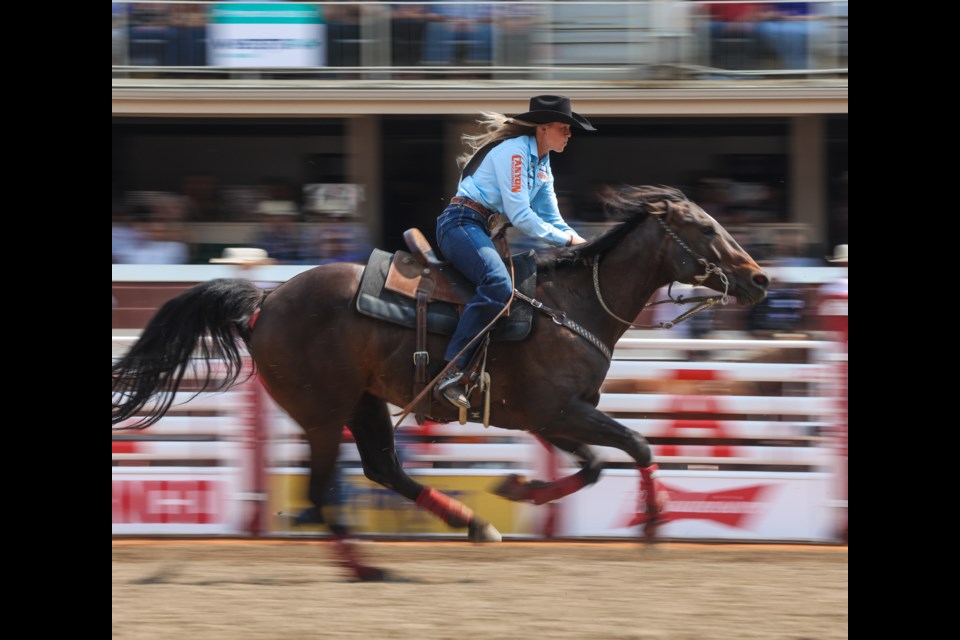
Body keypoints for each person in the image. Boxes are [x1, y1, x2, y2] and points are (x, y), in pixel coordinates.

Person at [434, 95, 596, 409]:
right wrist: (567, 243)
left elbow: (551, 218)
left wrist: (583, 245)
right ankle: (451, 370)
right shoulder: (516, 153)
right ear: (543, 128)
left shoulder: (542, 162)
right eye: (564, 127)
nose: (569, 134)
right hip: (461, 224)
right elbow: (521, 216)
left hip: (479, 228)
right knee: (498, 285)